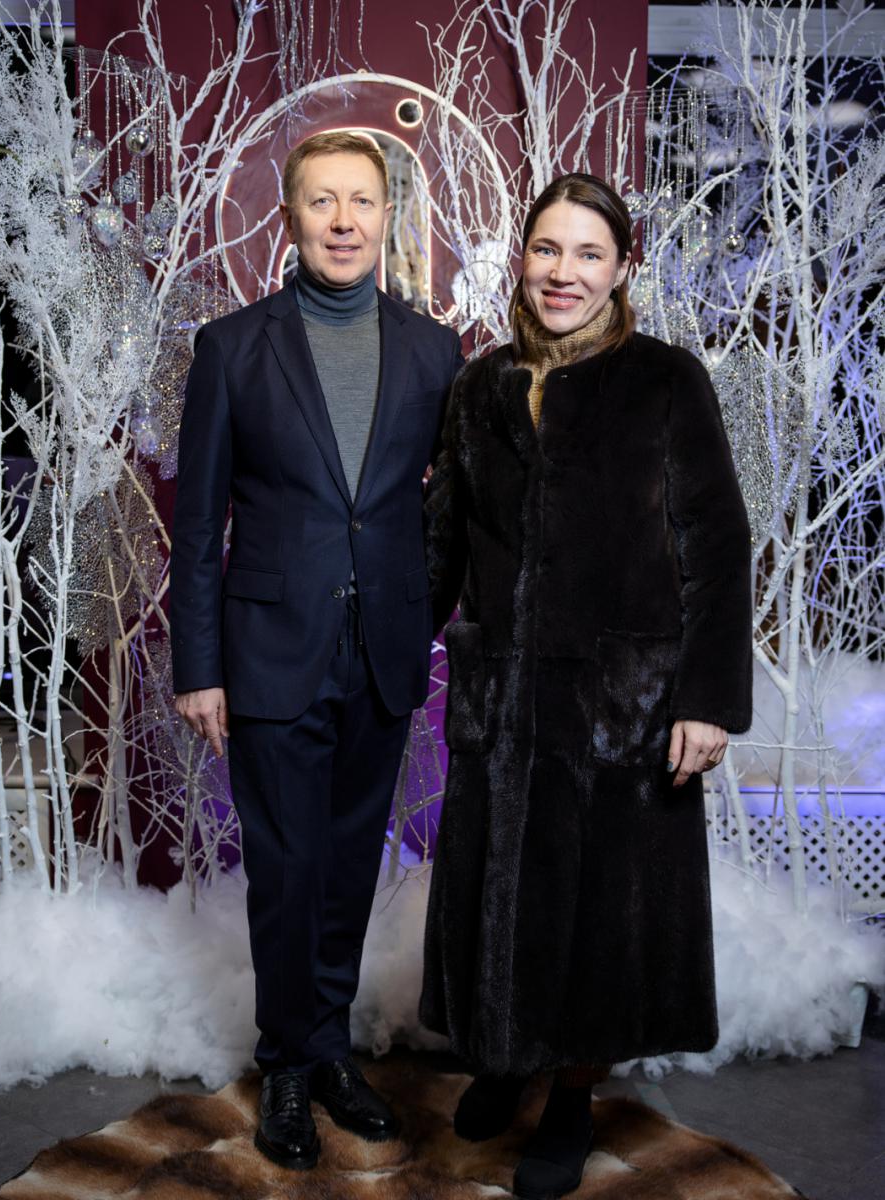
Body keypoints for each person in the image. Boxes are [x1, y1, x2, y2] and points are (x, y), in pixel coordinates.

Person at [419, 174, 753, 1200]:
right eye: (547, 250)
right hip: (503, 700)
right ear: (522, 258)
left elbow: (717, 545)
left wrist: (707, 699)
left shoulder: (665, 380)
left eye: (589, 254)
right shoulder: (479, 386)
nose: (564, 273)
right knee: (499, 896)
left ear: (621, 269)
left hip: (621, 707)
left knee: (597, 916)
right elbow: (441, 546)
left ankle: (570, 1094)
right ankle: (506, 1056)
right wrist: (378, 658)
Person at [171, 132, 463, 1172]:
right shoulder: (232, 347)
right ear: (289, 216)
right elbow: (197, 524)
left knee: (346, 865)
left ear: (387, 216)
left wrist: (426, 615)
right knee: (286, 871)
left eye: (363, 201)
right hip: (269, 651)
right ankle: (285, 1066)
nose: (344, 221)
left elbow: (449, 513)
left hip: (381, 650)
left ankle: (330, 1050)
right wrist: (200, 667)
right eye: (323, 201)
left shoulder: (434, 351)